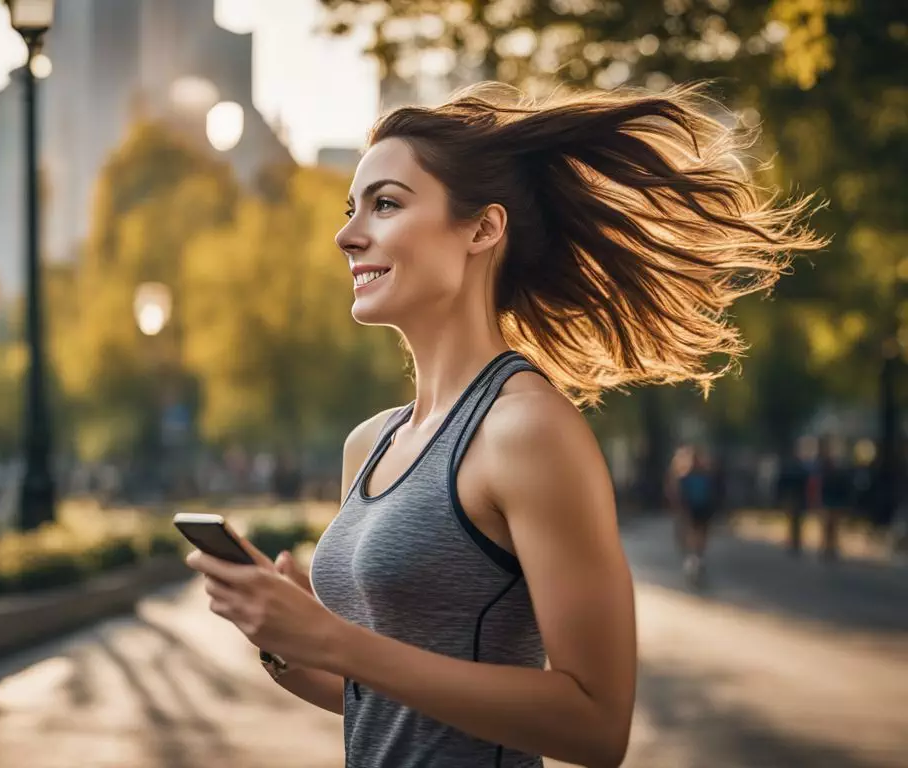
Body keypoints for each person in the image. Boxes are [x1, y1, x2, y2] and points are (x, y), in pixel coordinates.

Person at [184, 82, 824, 767]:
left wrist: (337, 640)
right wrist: (285, 639)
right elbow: (382, 696)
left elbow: (596, 725)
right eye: (351, 210)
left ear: (483, 230)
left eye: (386, 204)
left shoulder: (527, 430)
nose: (346, 234)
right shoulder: (368, 444)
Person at [665, 444, 720, 584]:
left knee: (695, 532)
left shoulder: (690, 477)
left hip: (697, 508)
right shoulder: (699, 476)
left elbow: (677, 493)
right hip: (696, 508)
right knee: (696, 533)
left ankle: (695, 557)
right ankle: (695, 557)